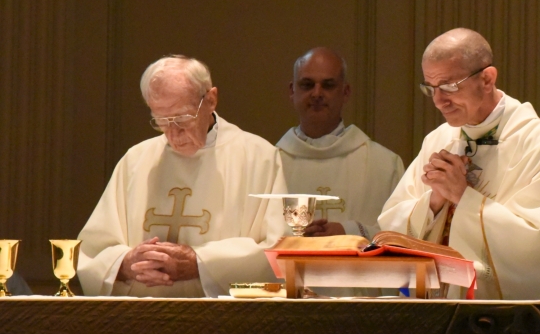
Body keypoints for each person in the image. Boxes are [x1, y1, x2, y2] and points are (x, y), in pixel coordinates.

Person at [378, 28, 540, 300]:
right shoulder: (438, 140)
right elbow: (390, 228)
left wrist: (463, 197)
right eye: (431, 88)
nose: (439, 101)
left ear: (487, 79)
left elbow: (538, 248)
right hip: (434, 315)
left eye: (450, 86)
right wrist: (434, 202)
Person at [77, 55, 287, 297]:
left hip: (225, 323)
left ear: (211, 100)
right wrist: (125, 263)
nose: (174, 134)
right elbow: (93, 251)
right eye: (161, 121)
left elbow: (278, 252)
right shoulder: (136, 160)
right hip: (142, 321)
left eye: (182, 118)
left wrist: (200, 263)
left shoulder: (259, 158)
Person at [276, 48, 404, 240]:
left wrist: (349, 232)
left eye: (328, 85)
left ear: (345, 92)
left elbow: (403, 236)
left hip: (359, 271)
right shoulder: (270, 164)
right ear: (292, 91)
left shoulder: (384, 165)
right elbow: (254, 235)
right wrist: (295, 236)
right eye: (307, 84)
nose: (317, 93)